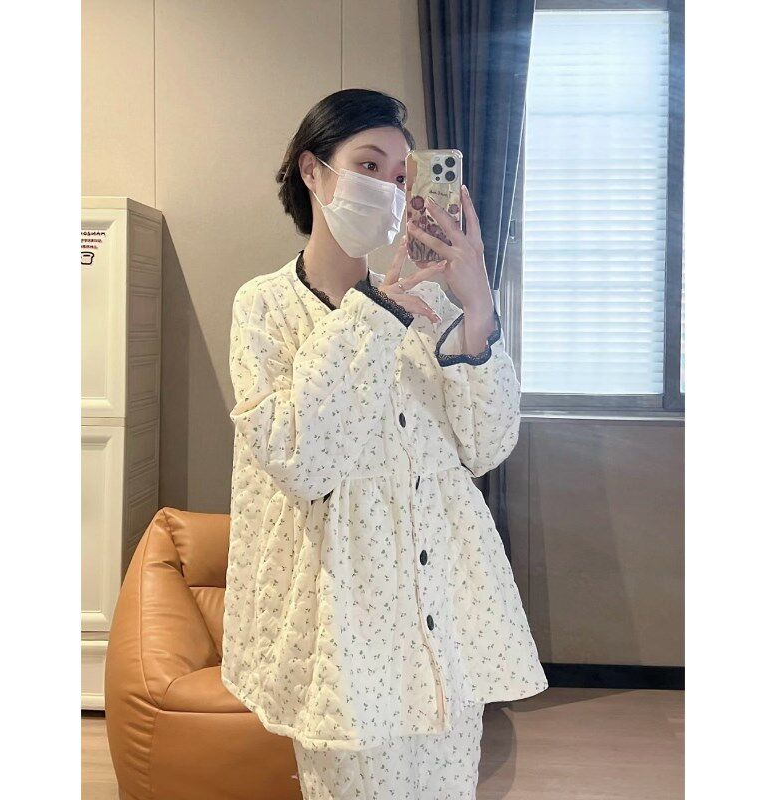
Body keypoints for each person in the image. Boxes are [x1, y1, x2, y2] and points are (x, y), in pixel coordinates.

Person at [221, 88, 548, 800]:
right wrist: (376, 312)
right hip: (345, 629)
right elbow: (302, 460)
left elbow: (487, 446)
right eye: (368, 164)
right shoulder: (264, 306)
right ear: (313, 171)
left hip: (443, 611)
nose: (389, 187)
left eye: (403, 175)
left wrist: (477, 306)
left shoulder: (434, 307)